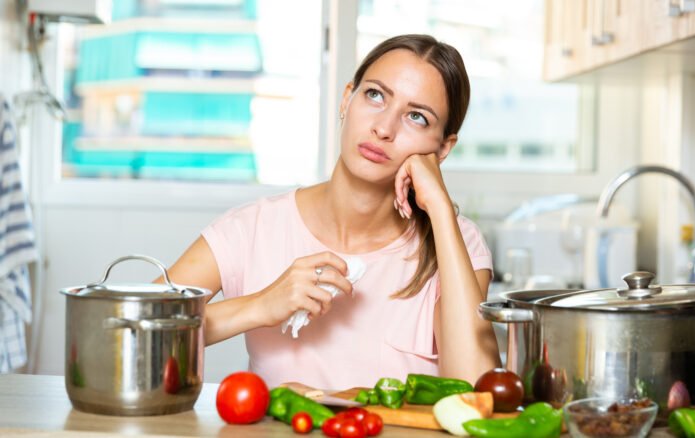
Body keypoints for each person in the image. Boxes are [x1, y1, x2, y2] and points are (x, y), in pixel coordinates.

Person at [164, 34, 500, 389]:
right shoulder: (251, 229)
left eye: (416, 117)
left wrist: (441, 210)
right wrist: (259, 306)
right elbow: (126, 336)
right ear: (346, 100)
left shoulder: (458, 242)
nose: (383, 128)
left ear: (443, 148)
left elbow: (478, 393)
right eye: (375, 95)